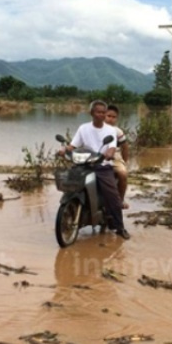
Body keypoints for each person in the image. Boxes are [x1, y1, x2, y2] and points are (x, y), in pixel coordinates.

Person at [59, 100, 130, 240]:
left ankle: (119, 227)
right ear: (91, 113)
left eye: (104, 112)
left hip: (102, 165)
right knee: (71, 184)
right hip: (83, 164)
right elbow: (73, 145)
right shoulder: (83, 128)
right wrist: (64, 150)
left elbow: (111, 147)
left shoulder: (110, 130)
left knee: (113, 196)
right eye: (98, 112)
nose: (102, 115)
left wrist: (109, 154)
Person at [104, 104, 130, 209]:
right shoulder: (94, 128)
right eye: (108, 116)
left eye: (113, 117)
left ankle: (120, 200)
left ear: (117, 119)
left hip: (114, 158)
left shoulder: (118, 131)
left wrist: (124, 161)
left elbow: (125, 147)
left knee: (123, 173)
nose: (110, 119)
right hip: (96, 158)